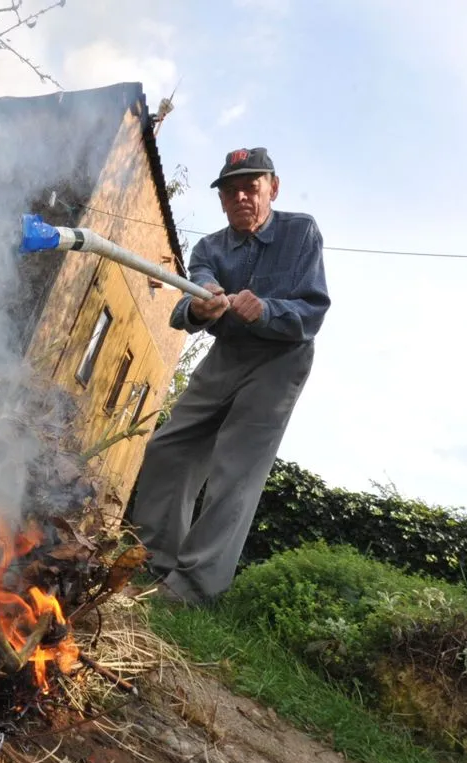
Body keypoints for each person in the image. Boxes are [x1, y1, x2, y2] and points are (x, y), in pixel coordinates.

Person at [132, 147, 331, 605]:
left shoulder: (300, 232)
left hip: (282, 359)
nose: (241, 196)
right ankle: (152, 562)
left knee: (235, 467)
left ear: (272, 189)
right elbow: (187, 302)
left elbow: (312, 310)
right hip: (229, 352)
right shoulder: (210, 248)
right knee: (170, 446)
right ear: (221, 201)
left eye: (251, 186)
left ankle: (194, 587)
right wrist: (199, 307)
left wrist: (267, 308)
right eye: (230, 190)